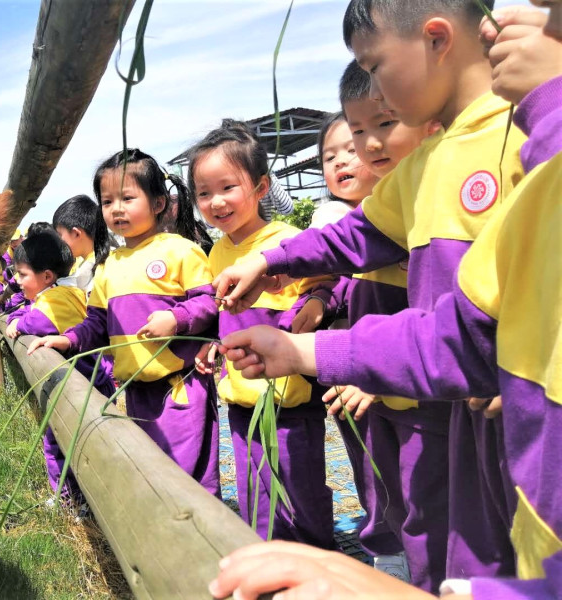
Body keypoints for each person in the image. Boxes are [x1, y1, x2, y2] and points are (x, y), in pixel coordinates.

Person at [210, 3, 562, 598]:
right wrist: (272, 261)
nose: (373, 89)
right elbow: (360, 236)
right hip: (452, 383)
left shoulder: (523, 130)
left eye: (374, 66)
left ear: (436, 39)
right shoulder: (427, 161)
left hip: (505, 400)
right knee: (453, 540)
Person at [302, 61, 450, 590]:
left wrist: (372, 370)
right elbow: (343, 277)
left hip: (408, 384)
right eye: (336, 151)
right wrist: (318, 294)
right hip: (356, 374)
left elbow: (428, 316)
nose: (359, 150)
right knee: (376, 476)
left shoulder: (423, 204)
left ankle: (419, 573)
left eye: (383, 124)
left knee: (425, 491)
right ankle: (391, 558)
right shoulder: (339, 219)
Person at [27, 149, 221, 496]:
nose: (116, 209)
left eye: (127, 198)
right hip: (135, 390)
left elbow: (208, 303)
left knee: (186, 480)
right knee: (152, 473)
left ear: (158, 203)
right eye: (107, 201)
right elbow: (97, 322)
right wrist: (68, 340)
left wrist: (176, 319)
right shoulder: (109, 266)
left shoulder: (180, 250)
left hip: (179, 386)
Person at [189, 119, 335, 548]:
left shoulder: (288, 242)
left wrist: (313, 304)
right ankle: (271, 564)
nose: (216, 202)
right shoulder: (217, 251)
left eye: (227, 187)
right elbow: (224, 314)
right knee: (257, 494)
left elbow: (325, 287)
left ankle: (316, 564)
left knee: (300, 492)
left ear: (261, 187)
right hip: (241, 401)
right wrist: (214, 346)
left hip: (289, 401)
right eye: (203, 192)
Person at [4, 229, 115, 505]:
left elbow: (37, 321)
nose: (18, 281)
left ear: (46, 276)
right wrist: (19, 316)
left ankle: (69, 501)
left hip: (83, 385)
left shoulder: (55, 301)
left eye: (22, 275)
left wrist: (18, 323)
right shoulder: (59, 293)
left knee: (58, 443)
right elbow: (29, 310)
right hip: (88, 381)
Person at [52, 194, 105, 295]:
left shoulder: (93, 268)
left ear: (76, 233)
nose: (58, 242)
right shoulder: (96, 259)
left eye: (60, 235)